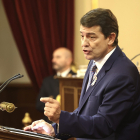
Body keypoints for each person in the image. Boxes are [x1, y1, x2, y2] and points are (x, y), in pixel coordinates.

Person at [24, 8, 140, 140]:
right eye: (82, 36)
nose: (84, 43)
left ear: (110, 38)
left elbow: (104, 125)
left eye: (91, 37)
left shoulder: (122, 74)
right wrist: (54, 129)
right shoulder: (94, 62)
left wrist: (61, 117)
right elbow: (85, 112)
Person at [36, 47, 76, 122]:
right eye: (53, 57)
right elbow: (39, 105)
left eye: (58, 57)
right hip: (50, 123)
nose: (53, 60)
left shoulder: (77, 79)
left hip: (71, 121)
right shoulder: (47, 81)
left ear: (68, 60)